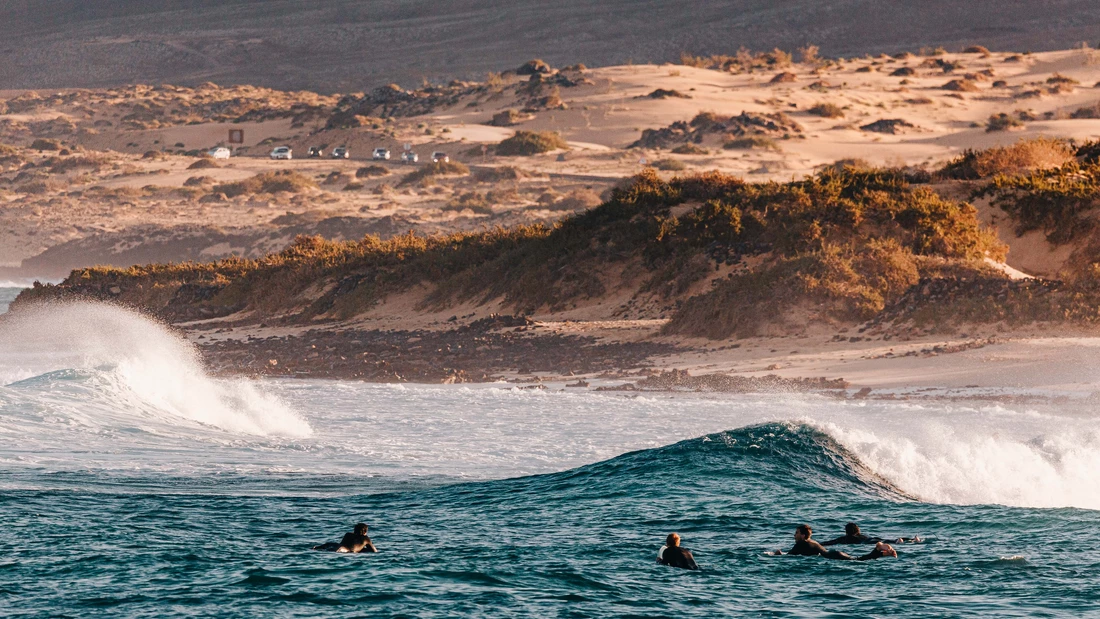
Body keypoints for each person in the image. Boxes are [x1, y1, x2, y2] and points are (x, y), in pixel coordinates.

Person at [771, 524, 896, 561]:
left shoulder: (801, 544)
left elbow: (789, 556)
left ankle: (878, 548)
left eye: (797, 533)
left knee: (858, 560)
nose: (794, 535)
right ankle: (883, 553)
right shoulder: (812, 542)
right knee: (858, 559)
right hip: (835, 553)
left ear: (803, 535)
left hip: (833, 556)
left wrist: (777, 554)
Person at [821, 522, 920, 546]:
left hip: (866, 542)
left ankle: (898, 541)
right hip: (870, 538)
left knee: (882, 542)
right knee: (884, 540)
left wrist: (819, 544)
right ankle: (912, 539)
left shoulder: (846, 538)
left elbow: (832, 542)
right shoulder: (862, 534)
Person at [313, 523, 378, 553]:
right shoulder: (366, 538)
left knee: (325, 546)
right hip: (346, 551)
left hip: (337, 546)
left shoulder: (348, 534)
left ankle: (315, 548)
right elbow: (374, 551)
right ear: (365, 532)